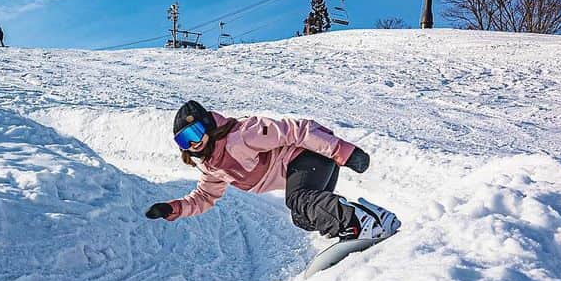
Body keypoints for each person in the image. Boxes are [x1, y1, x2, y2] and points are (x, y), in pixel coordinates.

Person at [145, 100, 400, 241]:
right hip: (303, 168)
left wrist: (344, 152)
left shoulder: (242, 134)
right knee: (301, 217)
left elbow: (296, 130)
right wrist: (173, 208)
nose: (193, 143)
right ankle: (360, 222)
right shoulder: (212, 167)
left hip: (309, 155)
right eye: (184, 141)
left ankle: (359, 221)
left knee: (298, 199)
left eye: (195, 133)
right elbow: (204, 198)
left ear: (208, 126)